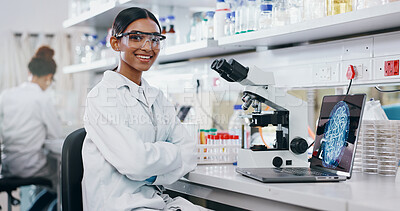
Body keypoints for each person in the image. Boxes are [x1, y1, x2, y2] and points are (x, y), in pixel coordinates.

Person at [82, 7, 207, 211]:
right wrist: (167, 155)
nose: (148, 47)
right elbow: (136, 162)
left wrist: (150, 171)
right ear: (116, 43)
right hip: (120, 205)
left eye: (155, 39)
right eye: (136, 37)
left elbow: (189, 151)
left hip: (157, 201)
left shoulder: (156, 97)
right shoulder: (101, 97)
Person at [0, 46, 63, 209]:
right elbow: (55, 140)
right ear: (49, 77)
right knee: (63, 183)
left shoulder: (6, 95)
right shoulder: (42, 99)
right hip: (30, 168)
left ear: (30, 73)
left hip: (8, 167)